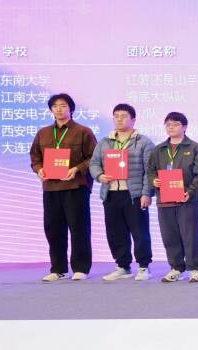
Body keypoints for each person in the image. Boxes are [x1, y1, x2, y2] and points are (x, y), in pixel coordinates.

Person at [30, 93, 96, 282]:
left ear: (71, 109)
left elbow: (94, 157)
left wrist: (77, 169)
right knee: (53, 229)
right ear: (51, 110)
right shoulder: (43, 133)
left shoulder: (83, 131)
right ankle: (59, 269)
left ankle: (81, 268)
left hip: (75, 186)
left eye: (63, 105)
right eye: (55, 106)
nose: (59, 109)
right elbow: (35, 156)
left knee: (79, 228)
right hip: (51, 187)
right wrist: (39, 169)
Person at [89, 102, 154, 282]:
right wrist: (99, 176)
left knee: (139, 231)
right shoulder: (104, 142)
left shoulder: (143, 142)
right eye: (116, 116)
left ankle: (143, 266)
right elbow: (94, 163)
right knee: (115, 232)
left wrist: (146, 193)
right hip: (111, 193)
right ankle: (123, 266)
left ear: (133, 120)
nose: (119, 119)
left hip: (134, 194)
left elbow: (150, 170)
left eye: (124, 116)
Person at [148, 111, 198, 283]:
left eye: (175, 124)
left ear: (185, 127)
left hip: (188, 200)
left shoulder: (195, 148)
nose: (171, 127)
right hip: (165, 200)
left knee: (190, 235)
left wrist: (190, 192)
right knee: (170, 236)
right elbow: (150, 171)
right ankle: (176, 268)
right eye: (168, 124)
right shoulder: (159, 149)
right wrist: (154, 181)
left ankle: (195, 269)